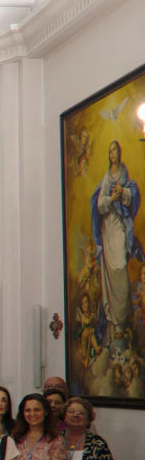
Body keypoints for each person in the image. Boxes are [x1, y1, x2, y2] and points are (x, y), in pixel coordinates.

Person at [90, 140, 144, 344]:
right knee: (110, 273)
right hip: (108, 227)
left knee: (120, 266)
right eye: (110, 150)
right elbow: (99, 203)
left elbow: (132, 194)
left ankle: (122, 316)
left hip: (120, 226)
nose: (113, 154)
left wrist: (124, 194)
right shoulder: (105, 178)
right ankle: (114, 321)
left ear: (119, 153)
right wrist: (111, 198)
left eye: (115, 150)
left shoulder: (124, 173)